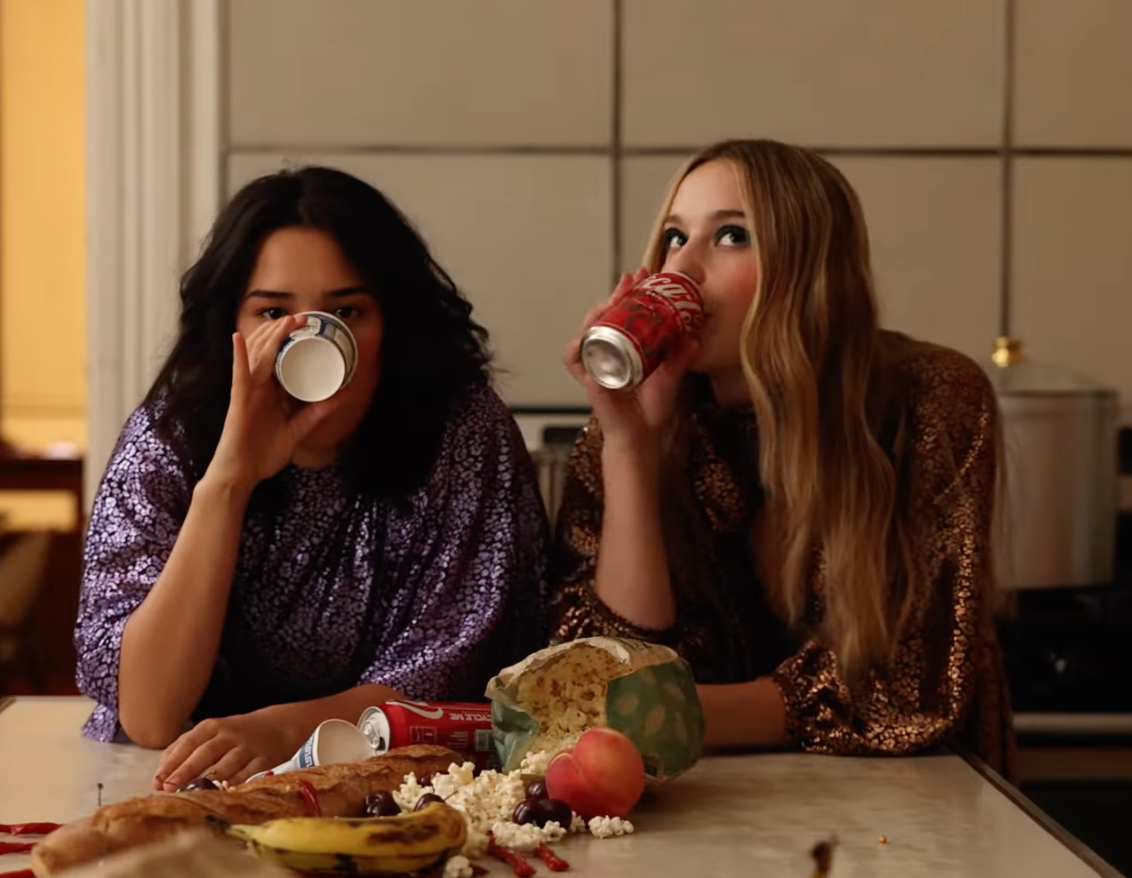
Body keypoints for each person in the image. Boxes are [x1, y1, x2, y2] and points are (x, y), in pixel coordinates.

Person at [75, 166, 550, 790]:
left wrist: (287, 729)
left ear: (392, 322)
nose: (311, 338)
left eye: (346, 311)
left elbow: (449, 675)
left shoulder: (462, 431)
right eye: (274, 312)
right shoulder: (172, 432)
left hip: (402, 783)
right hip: (187, 782)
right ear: (232, 326)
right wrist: (228, 481)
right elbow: (150, 714)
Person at [553, 139, 1014, 777]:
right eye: (674, 238)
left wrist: (660, 714)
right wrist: (631, 448)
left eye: (732, 235)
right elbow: (610, 667)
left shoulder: (926, 398)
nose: (680, 269)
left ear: (811, 271)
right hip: (706, 800)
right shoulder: (632, 420)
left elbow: (904, 693)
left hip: (908, 799)